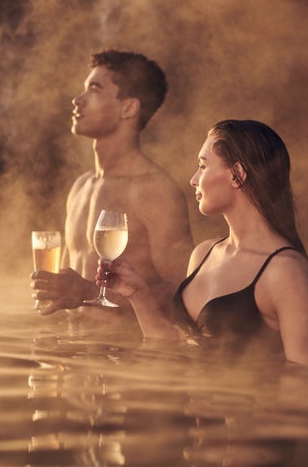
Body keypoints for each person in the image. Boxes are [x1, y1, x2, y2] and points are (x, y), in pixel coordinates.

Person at [96, 120, 308, 367]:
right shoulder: (204, 253)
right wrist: (137, 294)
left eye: (203, 166)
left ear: (237, 174)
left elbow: (306, 379)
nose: (194, 180)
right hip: (197, 401)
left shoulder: (286, 271)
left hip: (245, 403)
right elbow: (177, 342)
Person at [31, 49, 195, 320]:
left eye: (94, 90)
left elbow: (185, 292)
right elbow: (69, 291)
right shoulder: (81, 187)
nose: (77, 100)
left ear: (128, 107)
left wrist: (88, 293)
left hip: (127, 354)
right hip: (74, 349)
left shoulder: (155, 191)